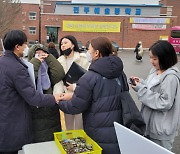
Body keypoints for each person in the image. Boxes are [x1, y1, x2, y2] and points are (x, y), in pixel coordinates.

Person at [57, 36, 129, 154]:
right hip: (118, 126)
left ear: (96, 53)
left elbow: (76, 106)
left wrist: (59, 102)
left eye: (88, 50)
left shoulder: (89, 77)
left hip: (97, 128)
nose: (87, 53)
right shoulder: (120, 73)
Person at [0, 30, 62, 154]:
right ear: (17, 46)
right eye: (24, 44)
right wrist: (54, 98)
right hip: (13, 118)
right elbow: (32, 97)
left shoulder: (3, 62)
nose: (26, 47)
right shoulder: (17, 68)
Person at [130, 40, 180, 151]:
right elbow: (151, 88)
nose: (151, 61)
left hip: (161, 130)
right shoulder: (155, 71)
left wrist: (141, 90)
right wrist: (141, 82)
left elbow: (164, 102)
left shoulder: (171, 78)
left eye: (155, 59)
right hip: (149, 125)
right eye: (150, 57)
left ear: (165, 57)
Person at [28, 44, 65, 143]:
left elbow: (59, 74)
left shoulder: (49, 71)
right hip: (35, 112)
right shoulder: (28, 67)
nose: (41, 56)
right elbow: (30, 78)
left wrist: (50, 58)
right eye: (37, 54)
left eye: (43, 53)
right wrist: (35, 62)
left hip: (50, 112)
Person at [53, 35, 90, 130]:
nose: (63, 46)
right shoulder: (59, 61)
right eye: (61, 44)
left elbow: (88, 78)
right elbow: (59, 80)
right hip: (66, 98)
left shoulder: (83, 59)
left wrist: (74, 87)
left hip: (79, 96)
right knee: (68, 126)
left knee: (79, 125)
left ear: (73, 45)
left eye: (65, 43)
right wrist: (58, 94)